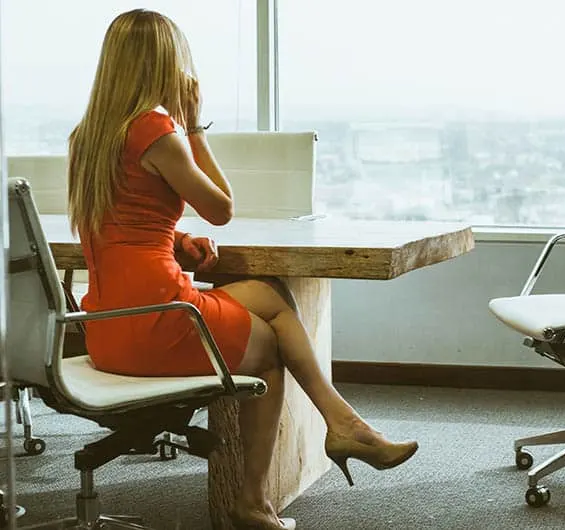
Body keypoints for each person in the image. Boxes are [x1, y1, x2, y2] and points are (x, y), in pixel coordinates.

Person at [66, 9, 418, 530]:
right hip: (158, 318)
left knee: (272, 297)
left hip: (105, 326)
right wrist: (193, 127)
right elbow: (222, 207)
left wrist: (178, 239)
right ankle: (251, 501)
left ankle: (343, 423)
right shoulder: (157, 130)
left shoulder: (87, 137)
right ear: (165, 62)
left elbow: (112, 224)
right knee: (270, 352)